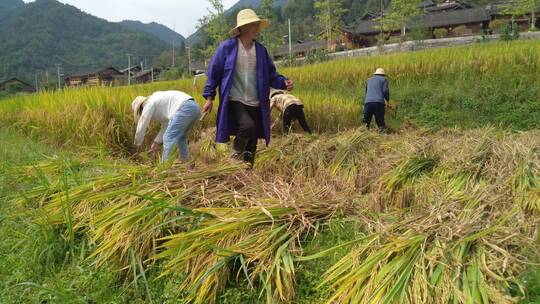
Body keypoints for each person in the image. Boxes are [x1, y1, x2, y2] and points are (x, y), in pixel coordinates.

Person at [201, 8, 294, 166]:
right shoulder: (227, 48)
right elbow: (214, 72)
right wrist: (209, 98)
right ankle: (235, 157)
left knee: (252, 140)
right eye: (253, 25)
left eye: (258, 25)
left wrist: (284, 82)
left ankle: (246, 173)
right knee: (247, 126)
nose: (257, 29)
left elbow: (271, 74)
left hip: (256, 101)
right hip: (235, 99)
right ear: (242, 28)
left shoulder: (260, 51)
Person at [132, 90, 201, 162]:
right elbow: (166, 125)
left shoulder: (148, 104)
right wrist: (156, 142)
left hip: (184, 107)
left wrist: (137, 144)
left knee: (168, 138)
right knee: (181, 137)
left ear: (141, 108)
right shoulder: (158, 102)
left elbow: (142, 123)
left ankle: (165, 165)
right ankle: (185, 160)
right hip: (194, 107)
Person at [364, 68, 390, 133]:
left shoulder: (368, 80)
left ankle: (364, 136)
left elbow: (366, 91)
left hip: (368, 102)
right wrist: (387, 100)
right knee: (380, 121)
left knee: (366, 122)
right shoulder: (384, 79)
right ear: (383, 75)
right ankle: (382, 137)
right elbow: (385, 91)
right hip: (378, 103)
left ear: (375, 74)